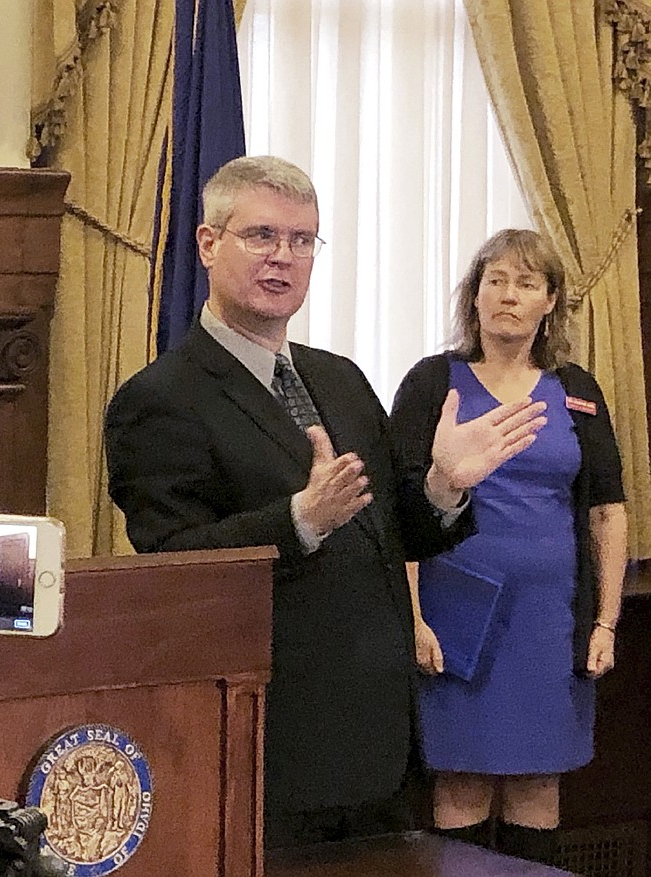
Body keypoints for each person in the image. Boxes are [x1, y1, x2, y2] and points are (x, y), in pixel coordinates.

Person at [103, 156, 547, 847]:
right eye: (262, 236)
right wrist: (297, 522)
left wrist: (444, 487)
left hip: (382, 742)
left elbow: (393, 529)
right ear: (207, 243)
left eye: (302, 240)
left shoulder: (339, 378)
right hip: (274, 745)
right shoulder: (159, 399)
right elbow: (172, 565)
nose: (284, 256)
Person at [391, 229, 626, 864]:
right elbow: (400, 510)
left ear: (550, 301)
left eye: (526, 284)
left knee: (538, 784)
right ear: (474, 295)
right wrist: (413, 617)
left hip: (552, 620)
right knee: (461, 781)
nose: (508, 296)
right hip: (455, 618)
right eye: (495, 281)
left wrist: (606, 621)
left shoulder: (577, 390)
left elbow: (608, 512)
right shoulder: (431, 382)